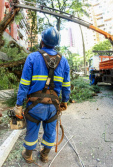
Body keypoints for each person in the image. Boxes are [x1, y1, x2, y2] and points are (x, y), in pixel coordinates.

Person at [14, 27, 71, 163]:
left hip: (34, 107)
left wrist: (19, 104)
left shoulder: (32, 57)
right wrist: (65, 101)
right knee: (50, 132)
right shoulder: (63, 61)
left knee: (32, 131)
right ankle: (44, 155)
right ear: (56, 43)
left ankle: (28, 155)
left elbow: (24, 84)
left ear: (42, 41)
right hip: (53, 107)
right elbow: (66, 85)